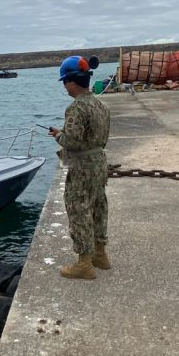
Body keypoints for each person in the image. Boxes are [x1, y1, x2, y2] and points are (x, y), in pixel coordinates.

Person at [49, 55, 111, 280]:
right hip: (99, 163)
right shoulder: (101, 105)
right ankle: (100, 255)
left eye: (65, 82)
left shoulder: (76, 108)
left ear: (72, 82)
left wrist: (59, 136)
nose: (65, 87)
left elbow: (73, 141)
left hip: (82, 167)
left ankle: (84, 263)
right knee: (98, 206)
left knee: (78, 210)